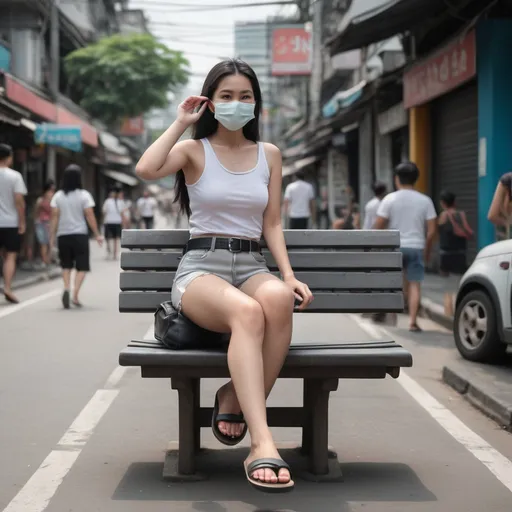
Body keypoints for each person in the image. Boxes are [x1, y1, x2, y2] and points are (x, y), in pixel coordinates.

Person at [135, 59, 313, 492]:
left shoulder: (269, 154)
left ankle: (233, 395)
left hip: (251, 263)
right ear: (211, 102)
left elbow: (271, 223)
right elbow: (146, 168)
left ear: (257, 102)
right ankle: (263, 442)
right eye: (227, 96)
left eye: (245, 96)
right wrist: (181, 122)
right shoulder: (194, 151)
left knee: (275, 301)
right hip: (200, 270)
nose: (237, 103)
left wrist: (287, 276)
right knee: (249, 314)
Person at [374, 161, 437, 332]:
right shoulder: (425, 201)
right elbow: (432, 230)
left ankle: (392, 318)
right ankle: (412, 322)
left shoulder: (390, 199)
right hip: (416, 246)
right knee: (415, 284)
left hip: (395, 247)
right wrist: (427, 250)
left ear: (397, 179)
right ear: (415, 179)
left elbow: (378, 225)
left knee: (393, 282)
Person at [49, 164, 103, 308]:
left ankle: (66, 287)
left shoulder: (58, 196)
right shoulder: (84, 195)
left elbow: (54, 217)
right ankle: (75, 295)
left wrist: (52, 238)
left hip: (63, 235)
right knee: (82, 267)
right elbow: (89, 215)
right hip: (80, 235)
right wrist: (97, 234)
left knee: (66, 265)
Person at [438, 190, 473, 316]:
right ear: (454, 202)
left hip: (445, 255)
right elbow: (469, 232)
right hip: (460, 254)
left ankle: (448, 313)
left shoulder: (442, 216)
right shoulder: (461, 215)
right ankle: (457, 312)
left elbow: (439, 232)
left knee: (447, 287)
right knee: (458, 284)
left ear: (443, 203)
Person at [0, 143, 27, 304]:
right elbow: (19, 201)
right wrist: (22, 222)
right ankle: (8, 287)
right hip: (10, 222)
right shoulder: (15, 176)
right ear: (9, 158)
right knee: (10, 256)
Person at [34, 180, 56, 266]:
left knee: (51, 242)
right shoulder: (40, 200)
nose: (51, 192)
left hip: (50, 223)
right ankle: (45, 260)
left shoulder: (54, 201)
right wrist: (36, 221)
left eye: (53, 191)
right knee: (43, 243)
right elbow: (36, 211)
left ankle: (48, 260)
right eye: (50, 190)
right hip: (41, 222)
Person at [102, 187, 126, 260]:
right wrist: (123, 223)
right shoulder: (120, 202)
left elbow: (104, 212)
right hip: (117, 222)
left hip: (109, 222)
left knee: (109, 238)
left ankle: (110, 252)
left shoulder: (107, 201)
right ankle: (114, 254)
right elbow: (122, 214)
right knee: (116, 239)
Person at [487, 172, 512, 240]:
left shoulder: (507, 179)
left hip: (506, 238)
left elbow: (492, 216)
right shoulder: (507, 180)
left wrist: (508, 224)